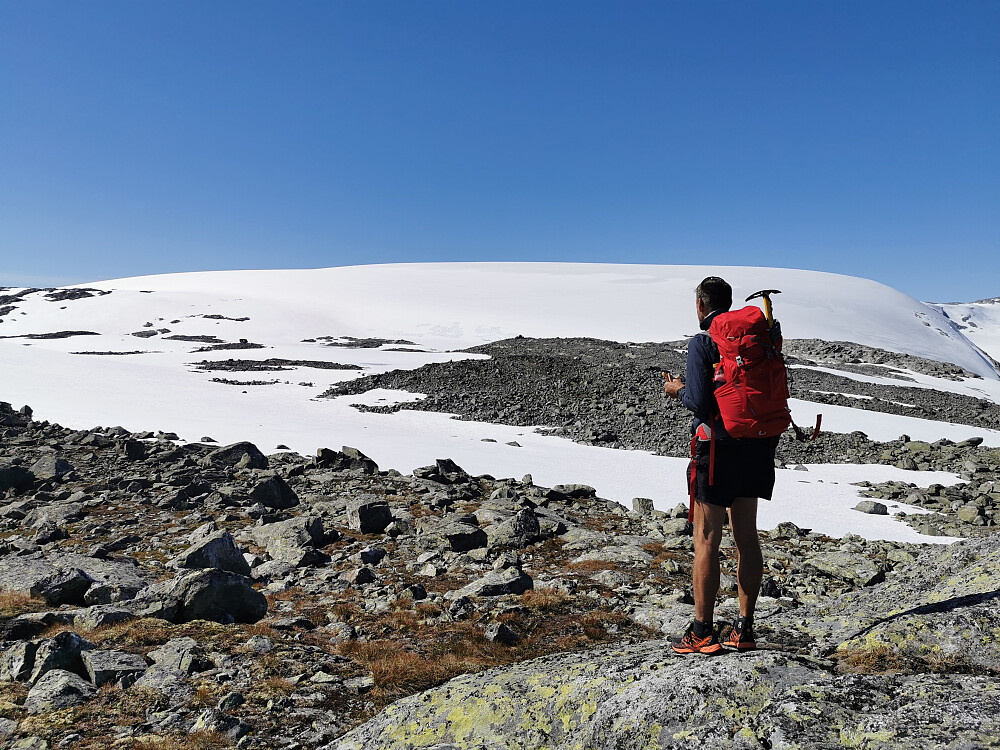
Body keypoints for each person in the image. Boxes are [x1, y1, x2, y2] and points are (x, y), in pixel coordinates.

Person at [662, 276, 779, 654]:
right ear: (728, 304)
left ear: (700, 304)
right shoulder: (755, 338)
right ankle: (744, 628)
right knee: (746, 536)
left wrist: (676, 389)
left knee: (707, 539)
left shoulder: (704, 341)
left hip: (717, 449)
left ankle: (702, 630)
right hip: (758, 444)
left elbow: (699, 402)